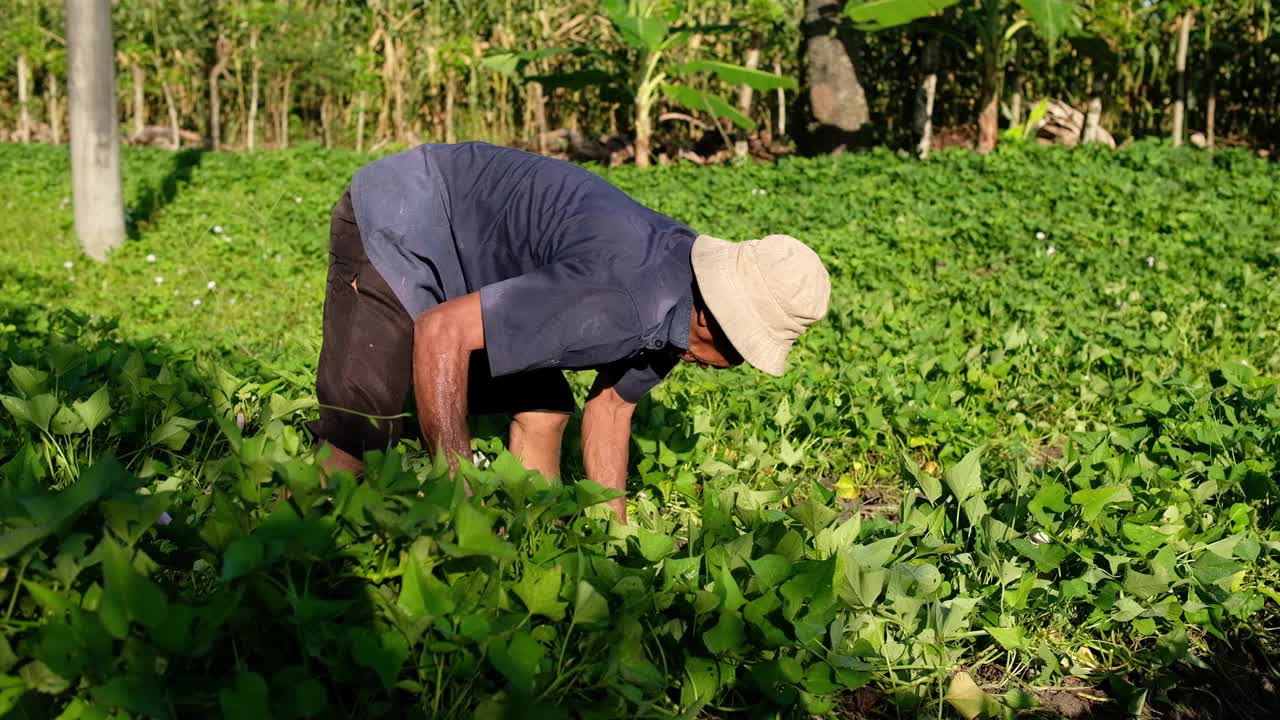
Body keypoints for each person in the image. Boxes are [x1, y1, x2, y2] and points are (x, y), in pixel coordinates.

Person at [308, 141, 830, 522]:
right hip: (411, 213)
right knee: (363, 426)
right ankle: (290, 551)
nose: (735, 365)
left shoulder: (678, 307)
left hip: (481, 262)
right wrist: (457, 483)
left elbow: (610, 409)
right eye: (741, 349)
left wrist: (616, 537)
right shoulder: (623, 299)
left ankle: (533, 541)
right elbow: (442, 332)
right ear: (711, 318)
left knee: (545, 409)